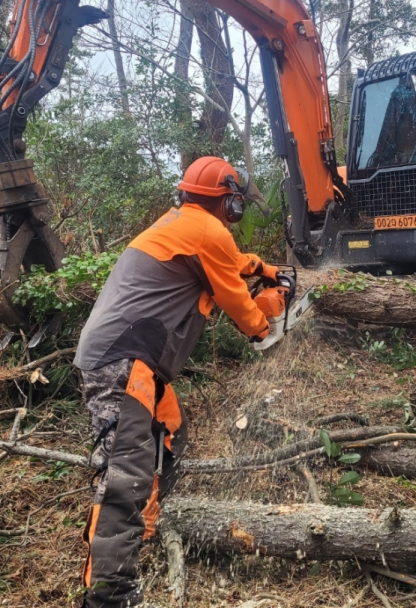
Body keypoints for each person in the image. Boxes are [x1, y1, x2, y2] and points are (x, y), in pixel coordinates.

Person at [74, 156, 286, 608]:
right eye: (236, 204)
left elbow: (231, 263)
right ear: (227, 203)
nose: (237, 212)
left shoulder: (185, 224)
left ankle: (142, 530)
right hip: (123, 362)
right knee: (124, 474)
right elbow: (235, 300)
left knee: (169, 435)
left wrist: (262, 269)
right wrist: (265, 327)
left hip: (133, 361)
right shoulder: (208, 232)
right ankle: (109, 595)